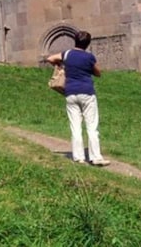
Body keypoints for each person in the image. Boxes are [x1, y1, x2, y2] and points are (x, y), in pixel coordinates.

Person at [46, 30, 111, 166]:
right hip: (86, 92)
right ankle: (95, 157)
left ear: (75, 40)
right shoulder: (89, 57)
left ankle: (78, 158)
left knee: (75, 126)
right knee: (92, 126)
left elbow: (50, 58)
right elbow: (98, 73)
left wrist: (60, 65)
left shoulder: (67, 54)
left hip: (70, 93)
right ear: (87, 44)